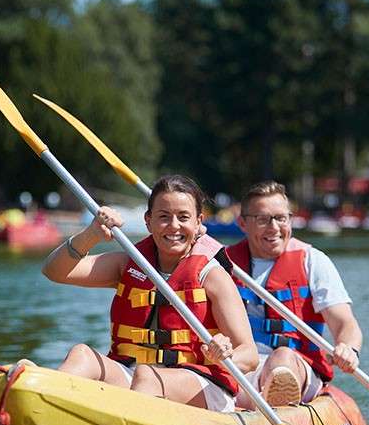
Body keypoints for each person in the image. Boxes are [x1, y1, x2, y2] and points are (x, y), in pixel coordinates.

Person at [41, 175, 258, 412]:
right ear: (148, 221)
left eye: (183, 217)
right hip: (134, 376)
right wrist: (92, 233)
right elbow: (55, 271)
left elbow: (249, 355)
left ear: (198, 222)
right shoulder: (129, 264)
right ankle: (45, 409)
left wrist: (224, 354)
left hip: (201, 383)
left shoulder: (213, 276)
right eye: (163, 217)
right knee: (82, 354)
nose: (174, 226)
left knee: (148, 376)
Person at [227, 181, 363, 408]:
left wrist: (348, 348)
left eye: (281, 218)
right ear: (243, 223)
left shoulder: (312, 261)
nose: (274, 228)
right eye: (263, 219)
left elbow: (345, 323)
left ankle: (277, 405)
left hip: (297, 366)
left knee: (282, 358)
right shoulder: (224, 263)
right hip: (240, 366)